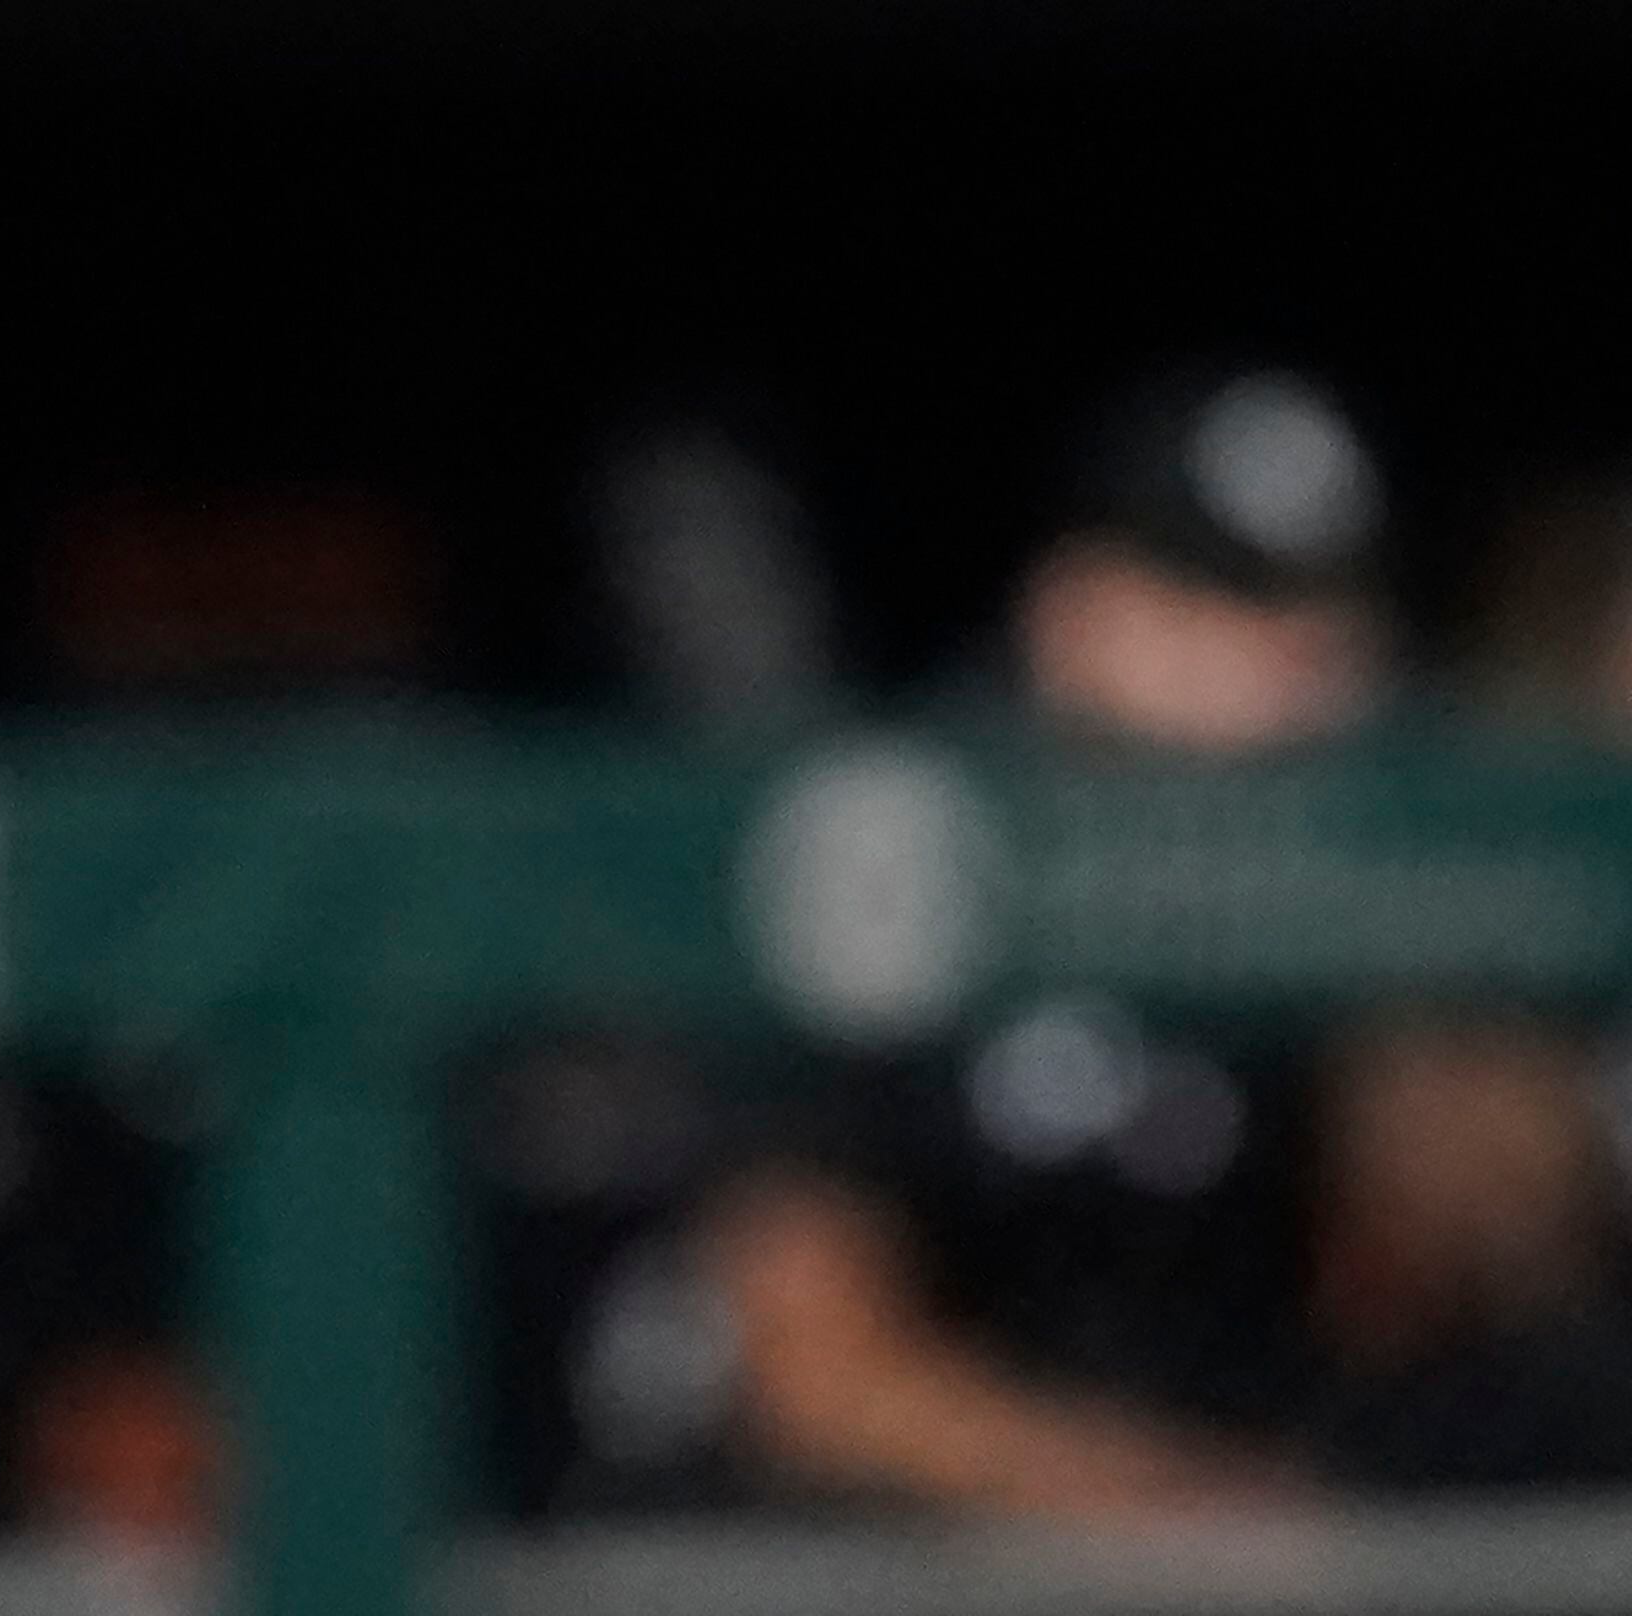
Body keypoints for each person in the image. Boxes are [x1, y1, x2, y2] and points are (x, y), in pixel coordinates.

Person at [673, 371, 1632, 1514]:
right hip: (950, 1554)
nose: (1285, 667)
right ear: (1074, 614)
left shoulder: (1393, 863)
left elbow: (1485, 1276)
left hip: (1312, 1525)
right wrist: (1158, 1514)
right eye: (1215, 604)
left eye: (1321, 621)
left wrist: (1402, 1020)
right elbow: (812, 1371)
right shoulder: (902, 856)